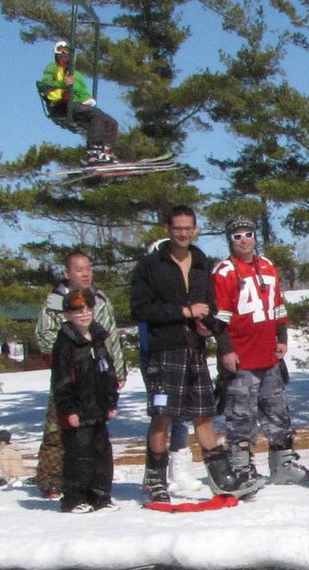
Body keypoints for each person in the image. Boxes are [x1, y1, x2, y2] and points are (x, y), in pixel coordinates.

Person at [129, 205, 248, 503]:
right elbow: (140, 309)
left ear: (195, 229)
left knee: (203, 415)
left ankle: (220, 477)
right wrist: (183, 311)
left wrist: (208, 327)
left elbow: (208, 305)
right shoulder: (150, 266)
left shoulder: (200, 262)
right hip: (164, 350)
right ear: (167, 229)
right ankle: (155, 478)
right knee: (163, 416)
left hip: (195, 349)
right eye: (178, 228)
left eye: (188, 228)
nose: (183, 233)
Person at [213, 216, 301, 486]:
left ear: (255, 236)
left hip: (268, 354)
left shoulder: (267, 266)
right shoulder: (224, 272)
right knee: (241, 414)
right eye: (237, 235)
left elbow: (278, 306)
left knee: (277, 409)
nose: (243, 240)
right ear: (230, 240)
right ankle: (241, 466)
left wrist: (282, 337)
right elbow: (220, 318)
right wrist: (227, 350)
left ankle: (283, 462)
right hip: (242, 356)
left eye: (247, 234)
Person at [33, 250, 126, 500]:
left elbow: (111, 336)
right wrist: (73, 348)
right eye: (79, 269)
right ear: (67, 273)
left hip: (97, 375)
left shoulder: (100, 300)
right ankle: (51, 479)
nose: (85, 273)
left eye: (88, 268)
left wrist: (117, 368)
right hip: (70, 375)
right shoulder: (55, 302)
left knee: (94, 433)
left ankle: (95, 482)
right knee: (58, 428)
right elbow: (43, 337)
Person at [50, 287, 120, 513]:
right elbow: (60, 379)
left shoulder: (98, 337)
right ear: (68, 314)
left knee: (101, 452)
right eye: (77, 309)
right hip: (78, 410)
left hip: (97, 408)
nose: (84, 313)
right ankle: (74, 497)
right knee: (79, 454)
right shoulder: (65, 342)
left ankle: (100, 494)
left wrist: (110, 402)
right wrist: (69, 409)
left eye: (88, 308)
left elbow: (108, 371)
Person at [37, 38, 119, 165]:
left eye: (66, 54)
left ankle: (106, 151)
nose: (64, 57)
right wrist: (62, 83)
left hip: (75, 105)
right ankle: (93, 151)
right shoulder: (53, 69)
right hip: (61, 105)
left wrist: (88, 100)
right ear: (57, 55)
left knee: (110, 121)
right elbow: (43, 84)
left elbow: (82, 91)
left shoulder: (76, 75)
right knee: (95, 115)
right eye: (61, 54)